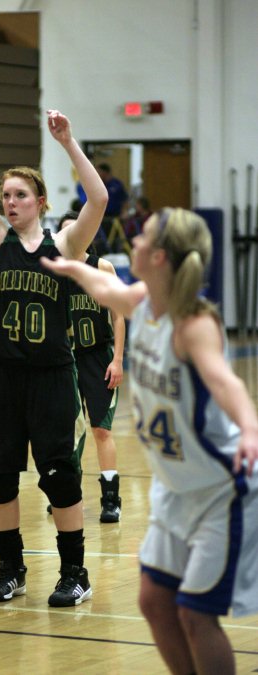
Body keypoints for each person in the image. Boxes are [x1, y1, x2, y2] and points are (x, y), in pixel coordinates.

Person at [41, 207, 258, 674]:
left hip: (219, 491)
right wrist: (66, 265)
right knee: (155, 602)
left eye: (142, 239)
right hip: (174, 491)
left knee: (197, 615)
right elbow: (104, 289)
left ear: (159, 257)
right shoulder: (143, 300)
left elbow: (225, 382)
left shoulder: (193, 324)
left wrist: (252, 426)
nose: (132, 242)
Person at [0, 86, 107, 607]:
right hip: (0, 378)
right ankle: (11, 568)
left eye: (20, 196)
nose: (9, 202)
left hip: (52, 377)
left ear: (41, 202)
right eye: (6, 196)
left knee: (60, 477)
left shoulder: (67, 244)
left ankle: (75, 572)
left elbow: (98, 199)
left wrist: (69, 142)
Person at [54, 211, 125, 523]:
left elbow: (119, 315)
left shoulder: (102, 267)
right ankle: (68, 493)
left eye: (77, 230)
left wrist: (118, 358)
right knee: (69, 430)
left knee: (100, 429)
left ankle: (111, 499)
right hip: (65, 358)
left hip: (98, 356)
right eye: (65, 232)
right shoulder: (54, 271)